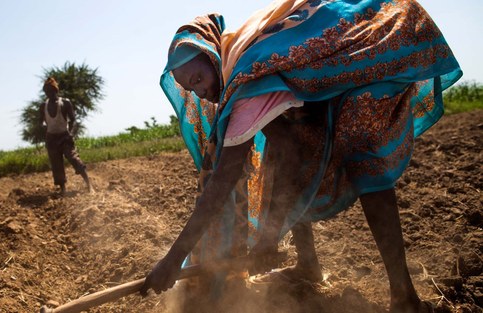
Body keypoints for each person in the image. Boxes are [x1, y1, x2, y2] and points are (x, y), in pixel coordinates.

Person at [140, 1, 462, 312]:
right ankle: (308, 264)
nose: (201, 92)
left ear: (212, 57)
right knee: (286, 148)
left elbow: (223, 181)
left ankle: (404, 297)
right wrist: (268, 235)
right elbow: (284, 146)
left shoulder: (244, 81)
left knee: (362, 150)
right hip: (349, 63)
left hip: (378, 41)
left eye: (199, 79)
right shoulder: (240, 59)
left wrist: (173, 260)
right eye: (190, 88)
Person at [40, 77, 93, 196]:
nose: (49, 94)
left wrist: (71, 134)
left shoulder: (65, 103)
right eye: (47, 92)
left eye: (51, 91)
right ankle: (63, 189)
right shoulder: (43, 105)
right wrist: (43, 125)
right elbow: (41, 121)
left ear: (56, 91)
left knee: (74, 159)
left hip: (65, 137)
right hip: (51, 139)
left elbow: (73, 120)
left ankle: (89, 185)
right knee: (56, 164)